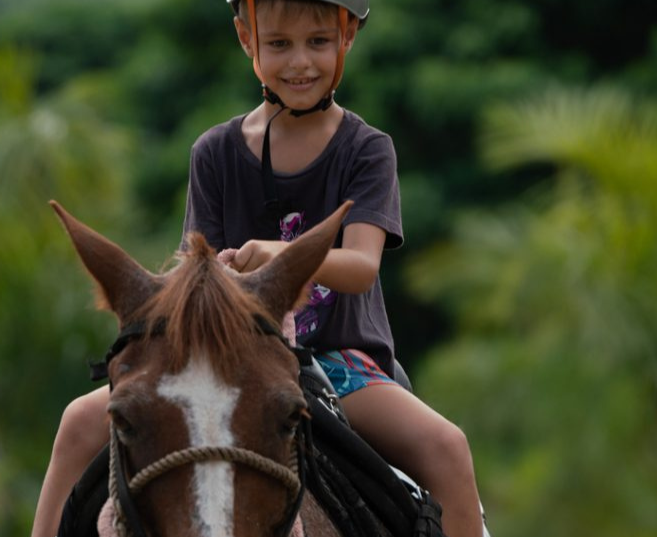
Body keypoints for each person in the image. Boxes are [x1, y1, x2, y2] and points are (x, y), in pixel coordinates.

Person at [31, 1, 484, 537]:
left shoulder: (367, 150)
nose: (300, 62)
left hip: (340, 363)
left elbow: (362, 266)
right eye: (279, 44)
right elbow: (196, 277)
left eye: (318, 42)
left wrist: (275, 255)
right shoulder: (214, 152)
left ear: (347, 38)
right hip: (228, 358)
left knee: (447, 447)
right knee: (76, 424)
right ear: (247, 39)